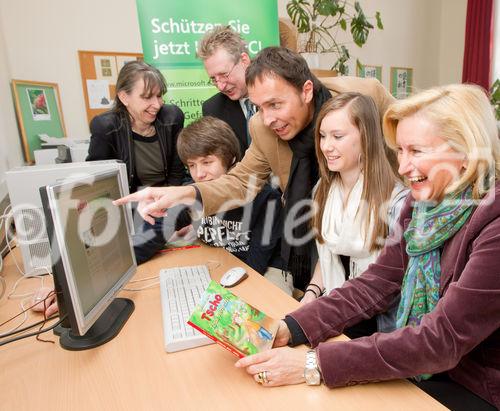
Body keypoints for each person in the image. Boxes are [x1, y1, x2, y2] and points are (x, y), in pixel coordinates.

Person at [234, 84, 500, 411]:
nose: (402, 167)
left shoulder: (493, 224)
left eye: (416, 151)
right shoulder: (421, 206)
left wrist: (312, 363)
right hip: (426, 369)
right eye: (400, 151)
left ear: (466, 153)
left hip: (477, 386)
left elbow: (442, 339)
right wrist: (289, 328)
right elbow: (375, 284)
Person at [114, 46, 395, 292]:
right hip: (316, 231)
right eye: (259, 107)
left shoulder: (363, 98)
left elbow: (410, 139)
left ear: (306, 91)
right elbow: (239, 182)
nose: (268, 118)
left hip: (378, 220)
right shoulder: (262, 128)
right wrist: (183, 194)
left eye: (275, 104)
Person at [302, 92, 408, 335]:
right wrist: (311, 293)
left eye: (337, 136)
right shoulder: (322, 190)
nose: (326, 146)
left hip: (379, 327)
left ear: (366, 138)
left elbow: (388, 287)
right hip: (335, 310)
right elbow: (328, 249)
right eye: (322, 136)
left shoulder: (397, 203)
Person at [172, 116, 284, 277]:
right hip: (220, 262)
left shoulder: (265, 198)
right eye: (192, 165)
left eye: (207, 162)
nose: (199, 174)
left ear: (231, 158)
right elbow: (164, 225)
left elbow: (256, 263)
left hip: (264, 269)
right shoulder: (194, 192)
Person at [86, 60, 185, 193]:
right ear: (124, 97)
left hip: (169, 196)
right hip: (131, 203)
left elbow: (177, 172)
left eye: (159, 96)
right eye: (147, 97)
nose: (157, 104)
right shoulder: (106, 127)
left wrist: (168, 202)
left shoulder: (172, 117)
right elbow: (100, 182)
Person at [198, 26, 253, 153]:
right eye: (213, 79)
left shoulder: (277, 91)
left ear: (244, 61)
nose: (221, 86)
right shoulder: (213, 110)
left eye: (224, 75)